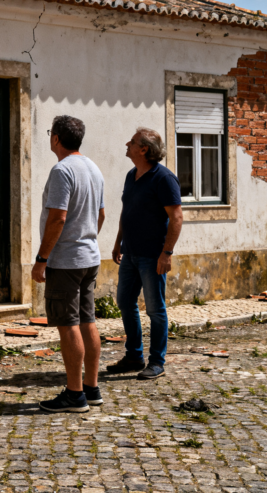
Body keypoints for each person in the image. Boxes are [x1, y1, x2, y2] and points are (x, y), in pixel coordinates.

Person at [33, 115, 106, 412]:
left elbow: (58, 217)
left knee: (67, 324)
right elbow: (101, 215)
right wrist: (86, 239)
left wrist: (42, 259)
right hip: (89, 256)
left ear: (56, 138)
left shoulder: (62, 171)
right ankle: (91, 388)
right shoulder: (93, 168)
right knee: (88, 321)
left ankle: (75, 395)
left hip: (65, 261)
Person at [108, 127, 183, 380]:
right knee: (125, 303)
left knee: (155, 309)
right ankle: (134, 356)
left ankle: (157, 361)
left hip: (153, 256)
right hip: (130, 254)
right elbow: (126, 211)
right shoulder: (132, 175)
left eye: (132, 142)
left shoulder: (164, 178)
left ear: (144, 149)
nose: (126, 143)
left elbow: (177, 217)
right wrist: (118, 242)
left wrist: (167, 253)